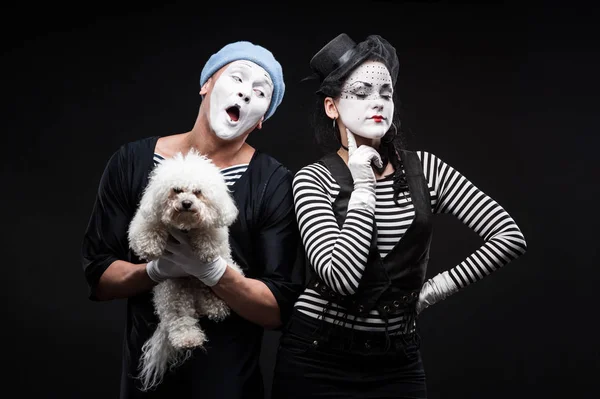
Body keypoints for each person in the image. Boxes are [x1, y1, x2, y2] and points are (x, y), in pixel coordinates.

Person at [271, 33, 528, 399]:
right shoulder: (313, 179)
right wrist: (363, 186)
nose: (377, 102)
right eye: (360, 93)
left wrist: (432, 292)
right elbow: (340, 279)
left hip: (397, 362)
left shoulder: (426, 170)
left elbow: (509, 236)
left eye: (385, 93)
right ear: (332, 107)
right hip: (316, 357)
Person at [81, 40, 305, 398]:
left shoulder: (275, 184)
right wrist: (154, 271)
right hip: (144, 384)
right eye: (237, 78)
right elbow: (99, 276)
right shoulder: (131, 162)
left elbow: (278, 309)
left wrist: (214, 272)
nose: (246, 94)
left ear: (262, 118)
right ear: (206, 85)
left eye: (260, 92)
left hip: (230, 385)